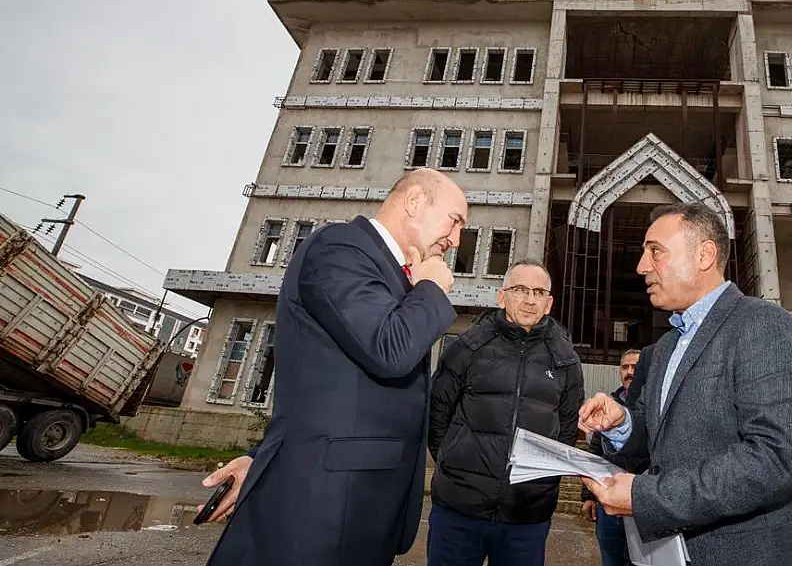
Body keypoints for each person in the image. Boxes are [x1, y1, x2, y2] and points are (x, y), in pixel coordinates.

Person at [200, 168, 467, 566]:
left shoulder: (390, 276)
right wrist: (430, 289)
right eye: (455, 221)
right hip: (326, 510)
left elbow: (334, 387)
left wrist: (265, 456)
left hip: (355, 504)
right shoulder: (341, 247)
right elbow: (389, 350)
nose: (456, 239)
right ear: (414, 202)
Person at [578, 202, 792, 566]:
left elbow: (775, 459)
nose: (641, 266)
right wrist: (623, 422)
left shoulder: (764, 326)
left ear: (705, 254)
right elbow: (661, 434)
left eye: (655, 251)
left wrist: (647, 497)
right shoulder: (663, 348)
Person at [426, 259, 584, 566]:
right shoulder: (468, 346)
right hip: (459, 509)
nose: (529, 299)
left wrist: (542, 483)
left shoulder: (566, 360)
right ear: (502, 297)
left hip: (527, 516)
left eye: (539, 292)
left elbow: (566, 429)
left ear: (549, 303)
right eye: (521, 289)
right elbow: (438, 411)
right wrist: (452, 459)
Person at [581, 349, 650, 566]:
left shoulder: (654, 406)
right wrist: (589, 496)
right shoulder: (609, 404)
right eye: (625, 367)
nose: (630, 372)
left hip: (642, 502)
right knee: (610, 559)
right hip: (607, 505)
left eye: (635, 367)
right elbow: (595, 452)